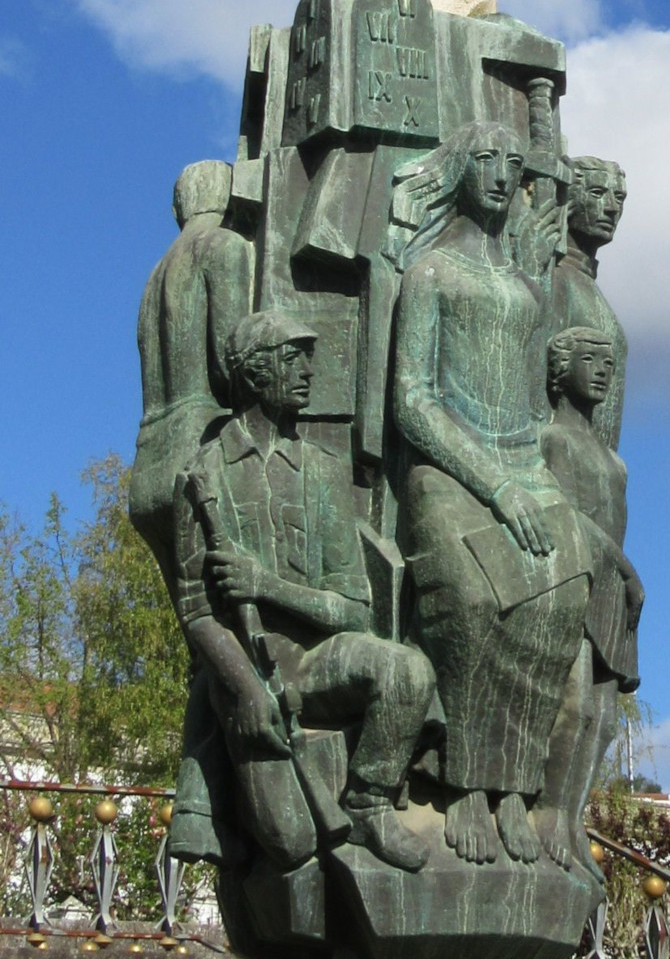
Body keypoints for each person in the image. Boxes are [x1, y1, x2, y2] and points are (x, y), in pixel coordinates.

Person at [392, 122, 592, 866]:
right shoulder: (430, 274)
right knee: (474, 607)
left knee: (556, 604)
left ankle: (513, 789)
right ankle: (465, 787)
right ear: (457, 171)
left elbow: (536, 408)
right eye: (485, 160)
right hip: (447, 469)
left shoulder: (522, 289)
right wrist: (496, 485)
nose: (502, 175)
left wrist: (528, 477)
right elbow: (411, 403)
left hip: (519, 465)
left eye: (513, 163)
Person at [173, 310, 435, 873]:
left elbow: (356, 611)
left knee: (406, 671)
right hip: (245, 672)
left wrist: (266, 585)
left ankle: (369, 801)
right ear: (252, 372)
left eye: (308, 357)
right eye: (292, 357)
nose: (308, 371)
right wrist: (245, 691)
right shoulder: (203, 474)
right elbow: (196, 613)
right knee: (291, 845)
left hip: (317, 660)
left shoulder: (322, 470)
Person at [535, 327, 643, 871]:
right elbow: (563, 512)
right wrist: (625, 569)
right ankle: (549, 813)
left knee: (601, 720)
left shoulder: (614, 460)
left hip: (614, 592)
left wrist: (622, 577)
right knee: (571, 704)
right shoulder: (550, 440)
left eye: (608, 362)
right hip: (577, 577)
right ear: (560, 370)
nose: (602, 369)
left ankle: (572, 820)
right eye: (589, 359)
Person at [129, 160, 254, 591]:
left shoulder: (154, 275)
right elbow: (229, 362)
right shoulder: (223, 247)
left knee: (201, 638)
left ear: (178, 207)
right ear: (230, 197)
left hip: (148, 469)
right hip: (201, 459)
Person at [549, 157, 627, 450]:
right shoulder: (555, 280)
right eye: (597, 193)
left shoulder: (583, 283)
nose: (611, 207)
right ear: (567, 199)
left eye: (618, 197)